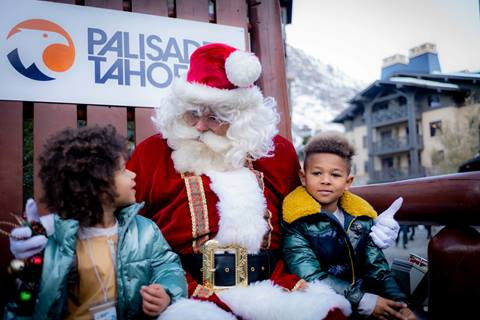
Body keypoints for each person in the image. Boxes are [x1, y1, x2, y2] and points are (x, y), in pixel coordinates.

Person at [10, 43, 400, 320]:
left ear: (242, 117)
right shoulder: (152, 153)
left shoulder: (275, 153)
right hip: (187, 289)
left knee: (329, 314)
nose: (198, 126)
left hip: (273, 283)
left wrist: (367, 228)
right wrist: (48, 236)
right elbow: (105, 211)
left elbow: (316, 206)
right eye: (191, 112)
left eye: (215, 117)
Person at [6, 126, 187, 320]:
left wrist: (167, 293)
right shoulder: (56, 240)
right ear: (97, 186)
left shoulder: (144, 231)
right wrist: (33, 253)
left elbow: (168, 267)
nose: (133, 174)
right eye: (123, 170)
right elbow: (26, 303)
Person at [282, 133, 416, 320]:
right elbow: (311, 276)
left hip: (368, 301)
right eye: (317, 173)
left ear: (348, 181)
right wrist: (363, 300)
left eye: (335, 174)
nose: (326, 180)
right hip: (326, 308)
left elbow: (378, 267)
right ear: (303, 177)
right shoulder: (296, 222)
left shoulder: (361, 218)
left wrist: (400, 303)